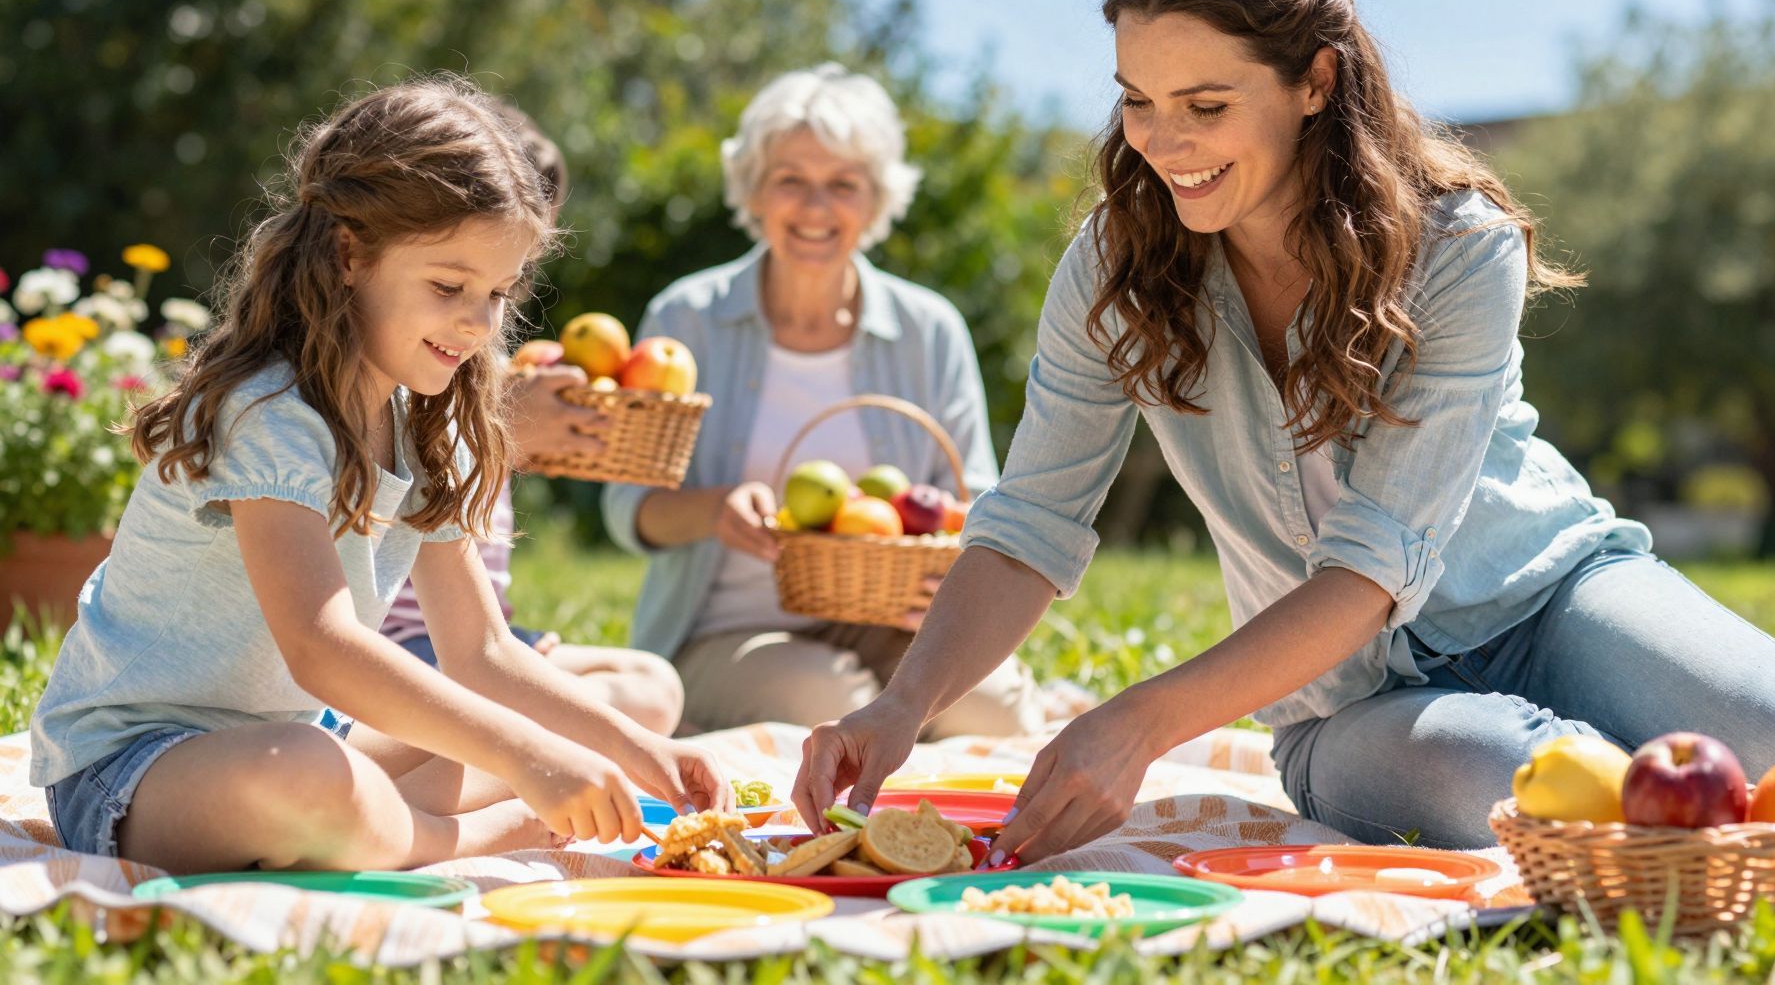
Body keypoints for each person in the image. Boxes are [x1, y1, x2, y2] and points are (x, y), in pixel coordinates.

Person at [794, 0, 1775, 863]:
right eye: (1136, 100)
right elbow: (1031, 522)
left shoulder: (1455, 244)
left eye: (1204, 102)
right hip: (1344, 705)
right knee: (1546, 798)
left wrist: (1135, 721)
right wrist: (900, 709)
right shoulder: (1114, 266)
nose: (1162, 143)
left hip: (1551, 593)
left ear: (1314, 80)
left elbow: (1367, 566)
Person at [31, 78, 727, 873]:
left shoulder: (429, 425)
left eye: (498, 294)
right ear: (348, 252)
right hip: (134, 770)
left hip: (302, 736)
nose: (478, 322)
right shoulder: (268, 414)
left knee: (505, 728)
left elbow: (483, 654)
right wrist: (531, 758)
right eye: (447, 287)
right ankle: (460, 837)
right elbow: (322, 651)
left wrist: (641, 752)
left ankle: (383, 822)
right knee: (318, 776)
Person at [601, 64, 1043, 737]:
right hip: (725, 633)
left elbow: (974, 501)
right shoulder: (688, 317)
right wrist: (715, 509)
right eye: (791, 181)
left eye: (843, 185)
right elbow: (625, 507)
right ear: (754, 189)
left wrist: (940, 574)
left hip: (886, 621)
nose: (815, 208)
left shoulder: (928, 330)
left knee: (995, 714)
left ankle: (930, 814)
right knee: (827, 706)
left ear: (875, 202)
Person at [380, 100, 685, 737]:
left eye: (508, 280)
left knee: (653, 688)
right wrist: (505, 430)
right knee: (625, 710)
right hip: (403, 641)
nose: (497, 297)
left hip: (474, 635)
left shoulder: (471, 351)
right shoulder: (408, 358)